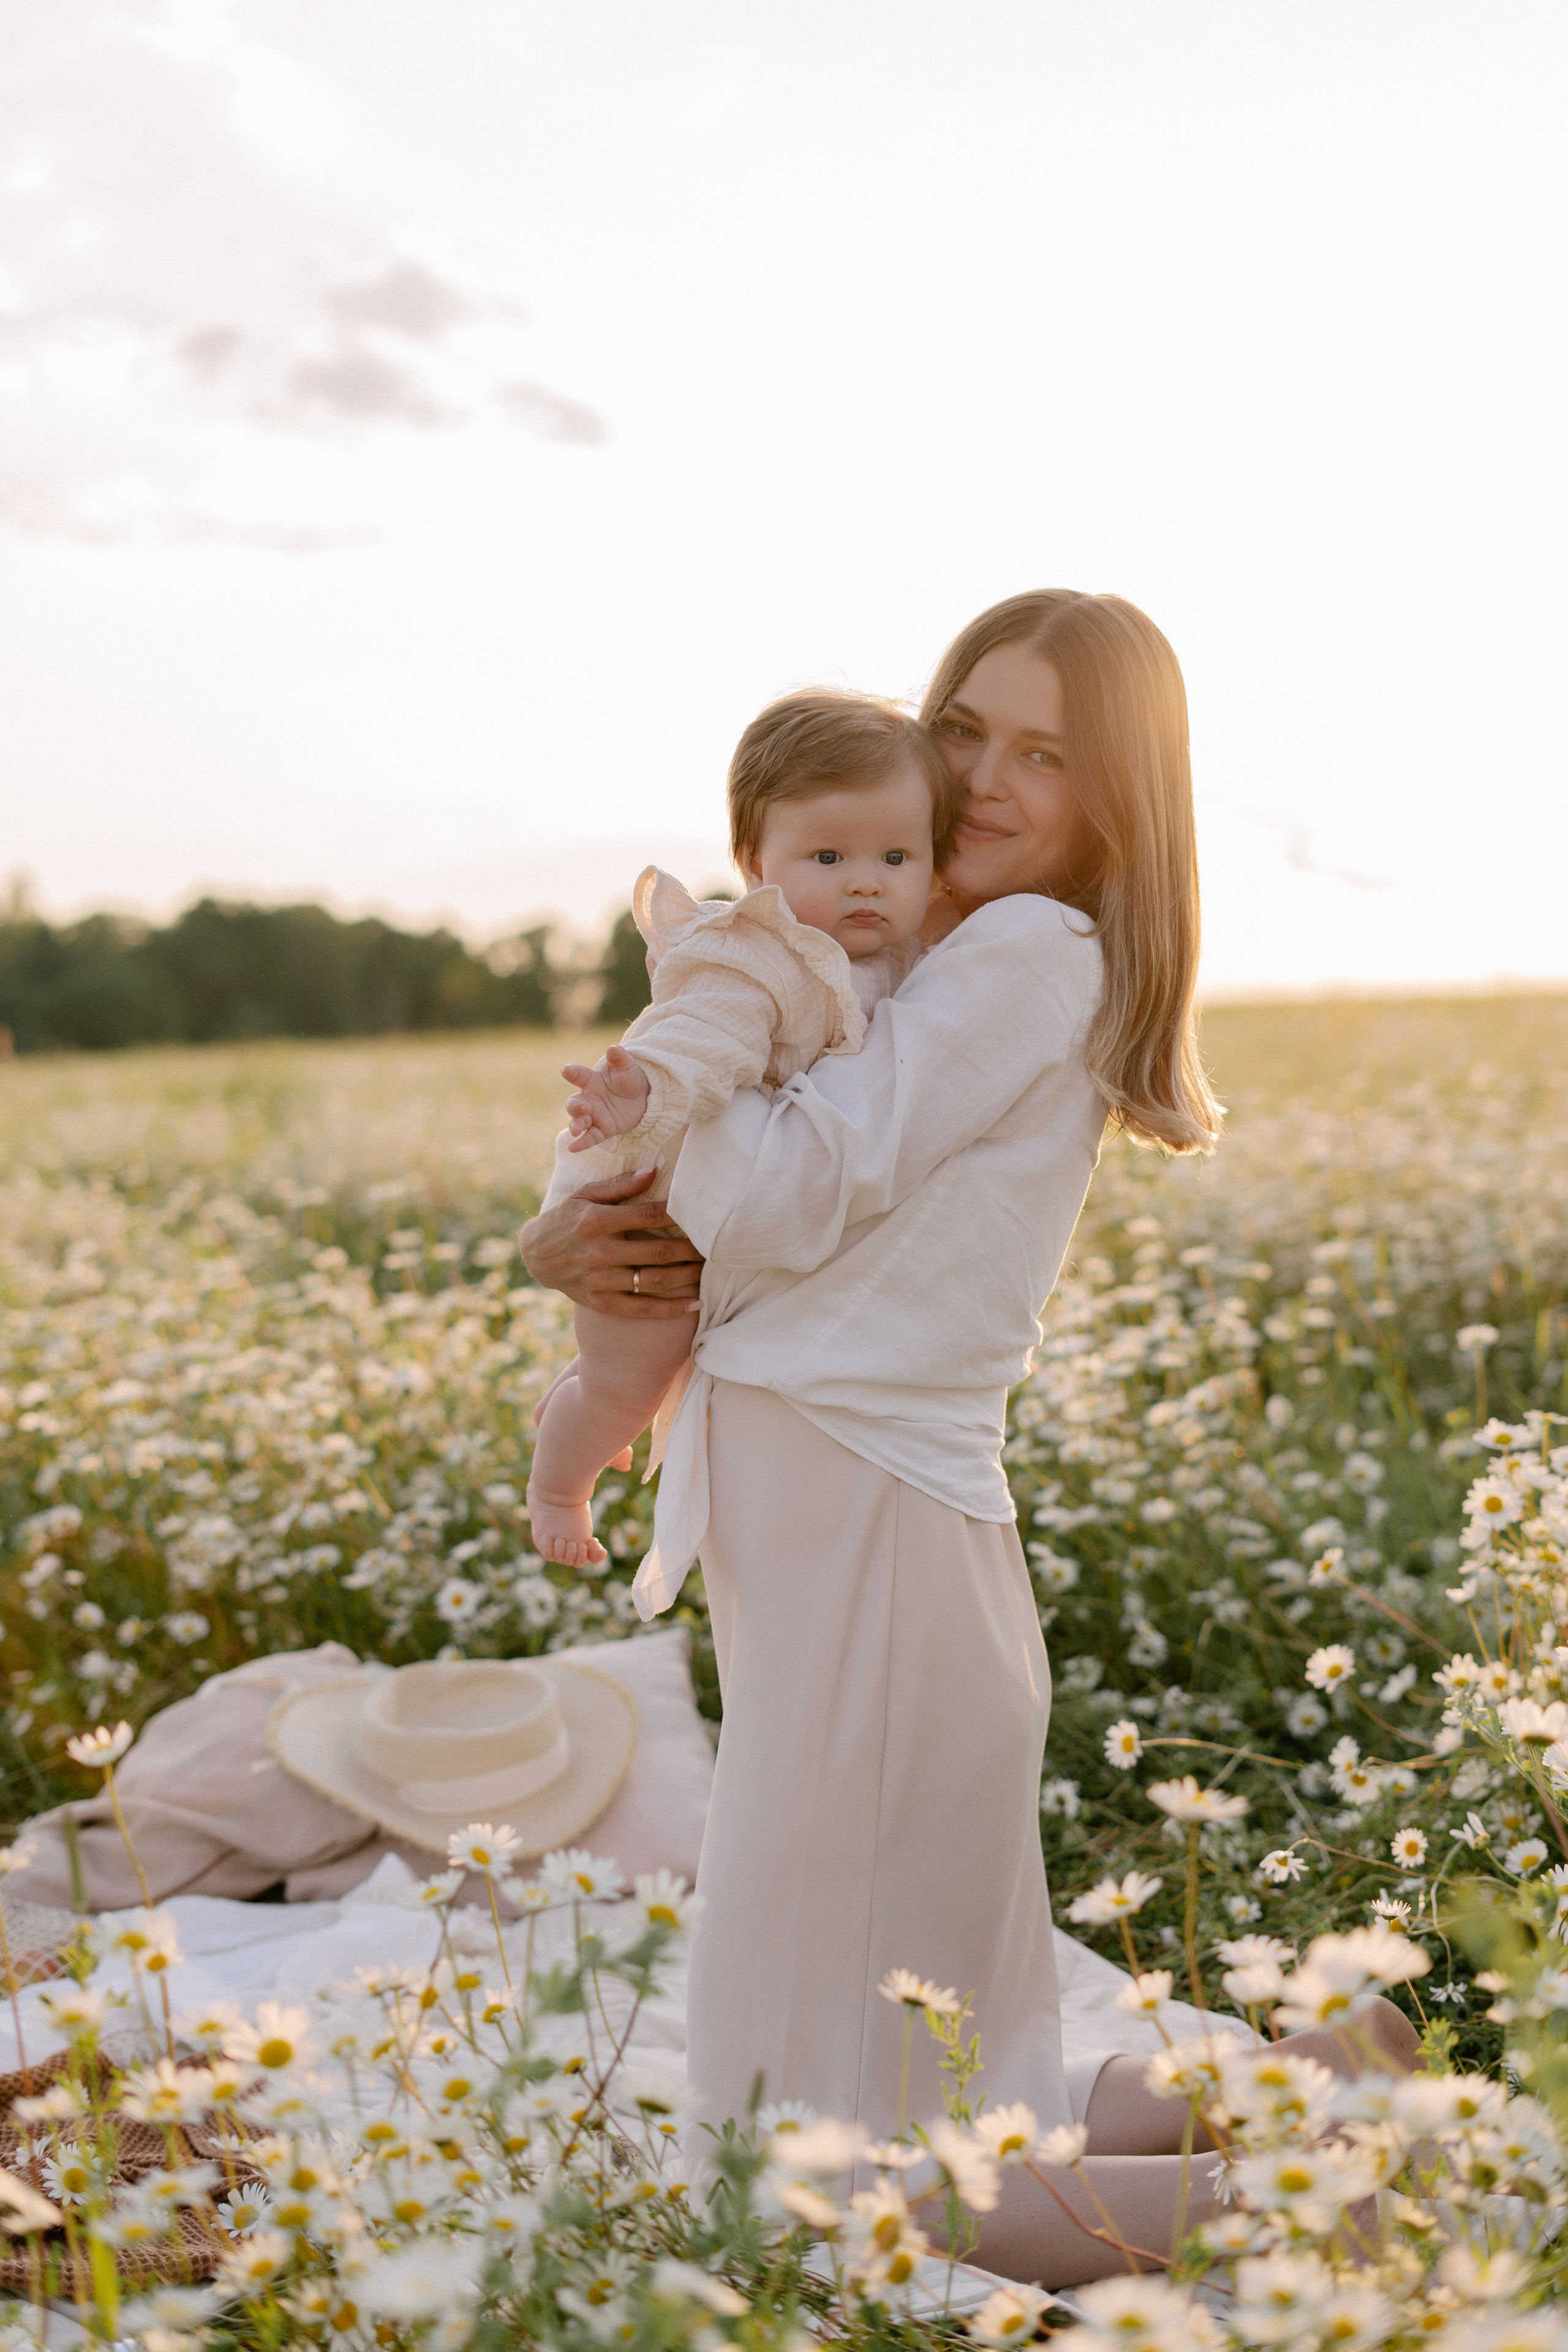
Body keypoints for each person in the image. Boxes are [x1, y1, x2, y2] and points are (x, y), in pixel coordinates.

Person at [519, 591, 1418, 2282]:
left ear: (1117, 801)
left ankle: (1302, 2205)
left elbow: (795, 1189)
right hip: (874, 1539)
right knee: (927, 2066)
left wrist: (649, 1135)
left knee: (803, 2181)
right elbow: (770, 1184)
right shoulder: (923, 955)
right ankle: (1318, 2084)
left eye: (1045, 755)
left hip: (868, 1533)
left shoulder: (1028, 951)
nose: (987, 783)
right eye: (964, 733)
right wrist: (583, 1224)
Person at [526, 688, 952, 1566]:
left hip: (706, 1206)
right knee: (629, 1383)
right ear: (755, 863)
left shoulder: (893, 952)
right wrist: (642, 1090)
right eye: (828, 854)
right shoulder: (756, 953)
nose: (866, 879)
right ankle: (558, 1487)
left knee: (631, 1366)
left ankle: (583, 1391)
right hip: (643, 1194)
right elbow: (701, 1038)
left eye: (897, 856)